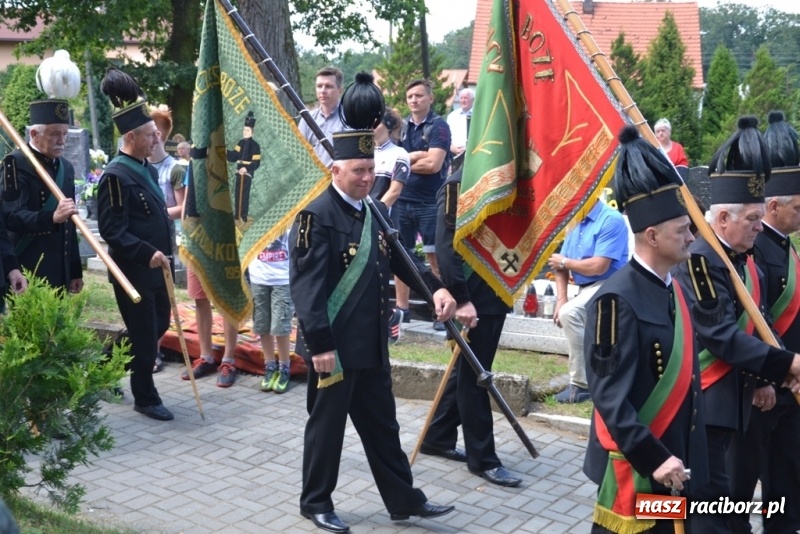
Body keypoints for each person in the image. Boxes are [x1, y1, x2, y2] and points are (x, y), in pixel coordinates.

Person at [290, 72, 457, 533]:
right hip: (334, 348)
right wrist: (319, 344)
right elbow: (306, 288)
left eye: (371, 171)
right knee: (326, 429)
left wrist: (436, 289)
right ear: (335, 170)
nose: (367, 178)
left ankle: (404, 501)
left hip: (371, 344)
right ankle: (315, 502)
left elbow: (403, 261)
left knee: (383, 427)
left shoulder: (377, 212)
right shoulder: (315, 217)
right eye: (358, 172)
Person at [673, 116, 800, 533]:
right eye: (751, 219)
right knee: (707, 514)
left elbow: (757, 321)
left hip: (742, 398)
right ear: (723, 218)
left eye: (761, 217)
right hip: (706, 406)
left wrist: (767, 378)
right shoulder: (702, 261)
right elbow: (722, 335)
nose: (759, 228)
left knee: (728, 514)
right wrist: (787, 366)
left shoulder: (741, 261)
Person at [584, 126, 708, 533]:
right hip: (641, 467)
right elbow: (609, 398)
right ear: (651, 235)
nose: (692, 236)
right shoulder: (615, 300)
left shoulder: (677, 288)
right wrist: (654, 458)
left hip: (677, 459)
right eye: (682, 230)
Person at [418, 166, 522, 488]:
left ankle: (438, 436)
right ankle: (484, 460)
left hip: (494, 291)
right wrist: (462, 299)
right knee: (477, 377)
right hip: (473, 297)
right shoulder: (459, 183)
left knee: (467, 369)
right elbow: (447, 246)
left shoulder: (503, 177)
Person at [727, 111, 800, 534]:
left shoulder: (786, 247)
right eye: (797, 206)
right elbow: (752, 322)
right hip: (765, 390)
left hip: (789, 388)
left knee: (785, 486)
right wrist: (762, 379)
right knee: (737, 491)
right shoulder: (753, 252)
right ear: (771, 205)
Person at [97, 68, 175, 422]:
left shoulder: (145, 167)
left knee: (159, 324)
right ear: (130, 136)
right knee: (146, 336)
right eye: (148, 135)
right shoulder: (115, 174)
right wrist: (147, 253)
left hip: (158, 268)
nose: (155, 140)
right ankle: (144, 396)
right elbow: (113, 230)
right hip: (133, 270)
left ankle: (103, 365)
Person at [2, 52, 82, 294]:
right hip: (28, 267)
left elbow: (71, 221)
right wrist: (50, 218)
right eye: (54, 133)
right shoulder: (15, 164)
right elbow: (10, 218)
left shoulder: (66, 167)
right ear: (34, 135)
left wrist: (75, 268)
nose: (62, 140)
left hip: (60, 269)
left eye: (65, 134)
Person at [546, 199, 629, 403]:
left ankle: (582, 385)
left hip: (611, 283)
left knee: (570, 313)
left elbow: (599, 266)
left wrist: (565, 262)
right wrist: (561, 299)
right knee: (566, 309)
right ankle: (596, 376)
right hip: (586, 287)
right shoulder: (575, 221)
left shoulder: (611, 219)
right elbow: (559, 265)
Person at [395, 78, 451, 331]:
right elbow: (391, 161)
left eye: (419, 96)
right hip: (402, 199)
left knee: (434, 256)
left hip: (429, 202)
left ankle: (439, 311)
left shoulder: (439, 127)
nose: (414, 100)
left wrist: (405, 162)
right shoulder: (402, 128)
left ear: (430, 98)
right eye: (410, 97)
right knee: (400, 255)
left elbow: (434, 165)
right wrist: (413, 157)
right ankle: (402, 310)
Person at [251, 231, 294, 394]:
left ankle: (284, 368)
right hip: (258, 278)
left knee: (280, 326)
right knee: (262, 324)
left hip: (282, 279)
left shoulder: (289, 215)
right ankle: (270, 366)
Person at [298, 66, 344, 168]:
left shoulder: (350, 119)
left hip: (339, 180)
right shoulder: (307, 119)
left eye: (328, 86)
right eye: (319, 86)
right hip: (314, 180)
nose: (323, 90)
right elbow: (299, 153)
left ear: (339, 90)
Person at [226, 111, 261, 226]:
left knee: (244, 194)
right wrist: (225, 152)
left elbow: (256, 162)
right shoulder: (240, 143)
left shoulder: (256, 146)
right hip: (238, 171)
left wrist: (246, 169)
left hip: (247, 173)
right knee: (237, 194)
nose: (245, 132)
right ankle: (237, 215)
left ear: (252, 131)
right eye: (244, 130)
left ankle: (243, 216)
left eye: (247, 130)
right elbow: (234, 156)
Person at [446, 87, 474, 157]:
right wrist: (453, 148)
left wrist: (468, 148)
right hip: (453, 153)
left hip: (472, 153)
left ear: (472, 100)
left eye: (466, 98)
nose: (463, 100)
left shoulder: (478, 116)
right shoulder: (452, 116)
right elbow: (446, 136)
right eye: (461, 98)